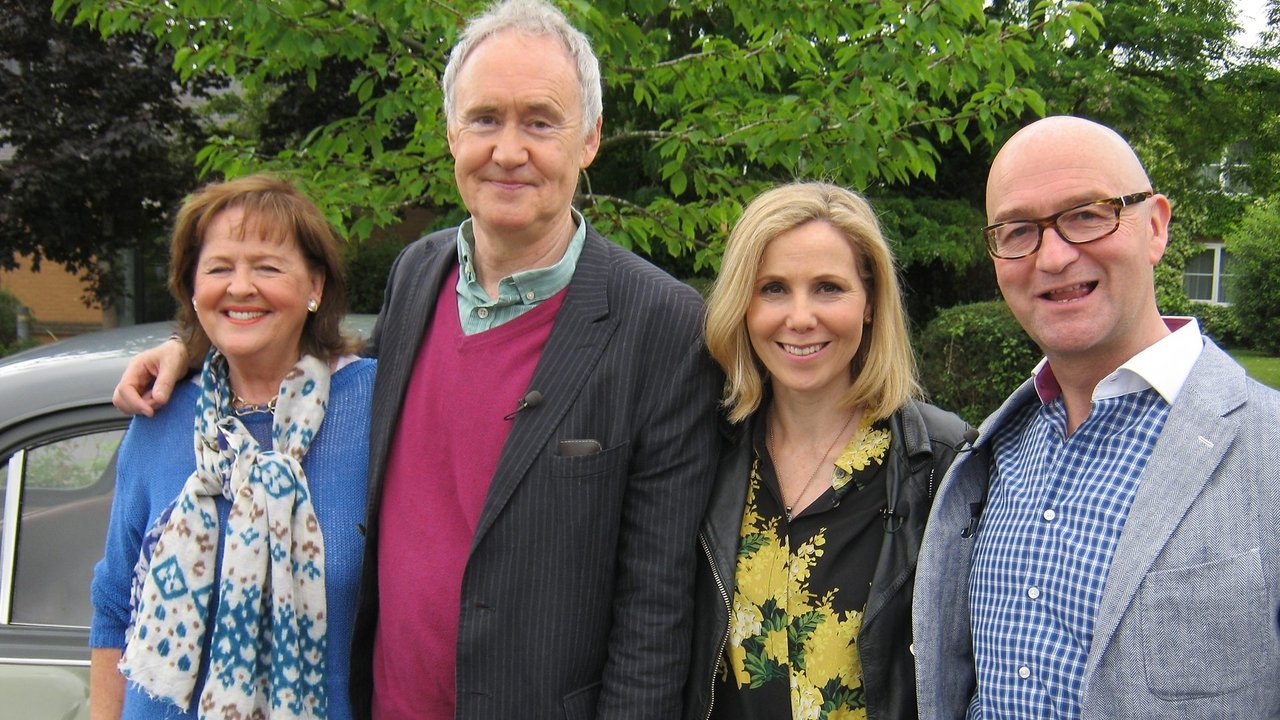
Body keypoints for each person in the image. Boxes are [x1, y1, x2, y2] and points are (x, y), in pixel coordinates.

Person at [111, 1, 722, 718]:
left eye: (540, 121)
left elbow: (656, 607)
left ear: (588, 139)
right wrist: (193, 348)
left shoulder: (664, 325)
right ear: (450, 134)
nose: (509, 149)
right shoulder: (417, 273)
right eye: (485, 118)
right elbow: (311, 374)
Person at [912, 115, 1280, 720]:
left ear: (1155, 226)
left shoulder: (1265, 449)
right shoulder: (994, 451)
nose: (1053, 257)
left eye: (1087, 214)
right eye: (1018, 229)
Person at [90, 174, 377, 719]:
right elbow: (111, 610)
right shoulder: (161, 415)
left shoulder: (373, 407)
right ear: (194, 290)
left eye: (267, 267)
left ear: (315, 286)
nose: (240, 287)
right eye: (219, 268)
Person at [686, 182, 971, 720]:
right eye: (772, 288)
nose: (799, 317)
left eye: (827, 288)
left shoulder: (939, 462)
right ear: (743, 306)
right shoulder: (706, 452)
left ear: (869, 304)